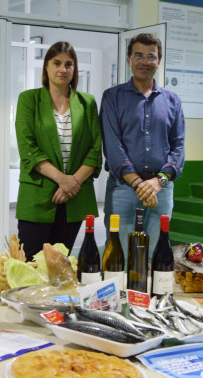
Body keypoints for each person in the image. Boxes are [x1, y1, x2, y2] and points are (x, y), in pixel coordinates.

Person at [14, 41, 102, 261]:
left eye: (69, 64)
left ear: (75, 69)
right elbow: (28, 148)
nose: (63, 69)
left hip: (74, 197)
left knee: (60, 266)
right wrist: (62, 179)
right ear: (46, 67)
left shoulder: (87, 102)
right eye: (57, 63)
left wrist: (73, 183)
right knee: (32, 264)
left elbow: (95, 148)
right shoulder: (29, 99)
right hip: (37, 195)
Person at [100, 32, 185, 252]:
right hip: (123, 189)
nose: (144, 62)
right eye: (138, 55)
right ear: (129, 60)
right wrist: (139, 185)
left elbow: (179, 147)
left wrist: (158, 182)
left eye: (151, 56)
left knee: (155, 255)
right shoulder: (112, 97)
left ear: (159, 61)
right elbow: (112, 145)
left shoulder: (172, 101)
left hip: (161, 190)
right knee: (121, 256)